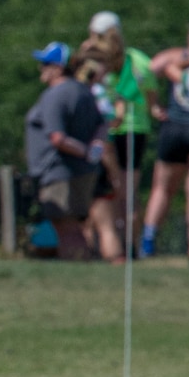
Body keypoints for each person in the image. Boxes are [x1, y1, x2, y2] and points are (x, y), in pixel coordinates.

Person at [142, 18, 189, 259]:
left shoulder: (175, 57)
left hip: (174, 126)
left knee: (162, 189)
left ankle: (148, 240)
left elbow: (145, 73)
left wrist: (153, 104)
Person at [23, 42, 103, 258]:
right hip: (81, 170)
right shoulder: (82, 91)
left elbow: (57, 138)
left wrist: (84, 151)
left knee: (65, 226)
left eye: (45, 64)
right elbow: (102, 123)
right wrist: (93, 149)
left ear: (58, 68)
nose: (41, 69)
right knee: (72, 225)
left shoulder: (55, 95)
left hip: (59, 171)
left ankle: (79, 267)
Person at [93, 10, 158, 256]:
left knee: (111, 191)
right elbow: (153, 101)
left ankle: (114, 245)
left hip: (110, 130)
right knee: (129, 192)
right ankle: (130, 246)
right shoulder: (140, 59)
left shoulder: (96, 59)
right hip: (135, 130)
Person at [76, 46, 123, 263]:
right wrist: (114, 174)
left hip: (76, 163)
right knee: (105, 224)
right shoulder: (99, 94)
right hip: (98, 162)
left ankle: (86, 263)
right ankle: (114, 260)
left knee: (83, 223)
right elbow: (104, 141)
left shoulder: (74, 92)